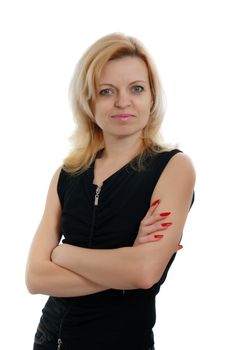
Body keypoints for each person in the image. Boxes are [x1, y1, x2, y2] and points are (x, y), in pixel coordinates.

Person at [25, 32, 195, 350]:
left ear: (152, 98)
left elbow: (144, 274)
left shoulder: (174, 167)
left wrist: (62, 254)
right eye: (106, 91)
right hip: (50, 340)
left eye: (136, 89)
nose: (122, 102)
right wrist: (123, 268)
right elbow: (35, 278)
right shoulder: (66, 174)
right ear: (89, 102)